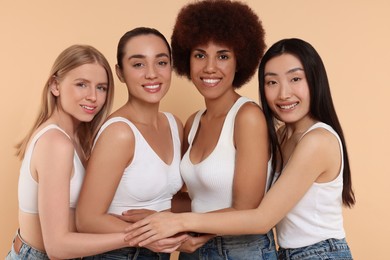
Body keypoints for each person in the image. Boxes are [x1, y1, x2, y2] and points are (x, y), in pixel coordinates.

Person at [124, 38, 356, 259]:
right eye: (272, 82)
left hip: (319, 253)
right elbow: (211, 199)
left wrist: (180, 223)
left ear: (315, 80)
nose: (284, 93)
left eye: (295, 79)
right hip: (287, 252)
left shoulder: (317, 141)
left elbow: (261, 218)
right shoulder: (283, 135)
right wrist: (153, 213)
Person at [123, 1, 277, 259]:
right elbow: (195, 199)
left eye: (223, 56)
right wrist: (149, 211)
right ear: (187, 60)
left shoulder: (247, 117)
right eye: (200, 55)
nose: (210, 67)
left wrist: (177, 223)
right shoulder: (192, 123)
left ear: (240, 61)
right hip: (192, 248)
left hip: (240, 250)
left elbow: (245, 209)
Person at [6, 44, 133, 259]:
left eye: (101, 87)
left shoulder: (78, 139)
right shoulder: (55, 143)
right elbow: (57, 247)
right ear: (55, 85)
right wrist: (136, 237)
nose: (93, 96)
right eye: (82, 84)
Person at [75, 27, 188, 259]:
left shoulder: (174, 124)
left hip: (156, 251)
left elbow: (173, 200)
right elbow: (87, 220)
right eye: (138, 64)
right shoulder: (120, 132)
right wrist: (153, 234)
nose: (152, 74)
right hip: (118, 253)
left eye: (161, 62)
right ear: (120, 73)